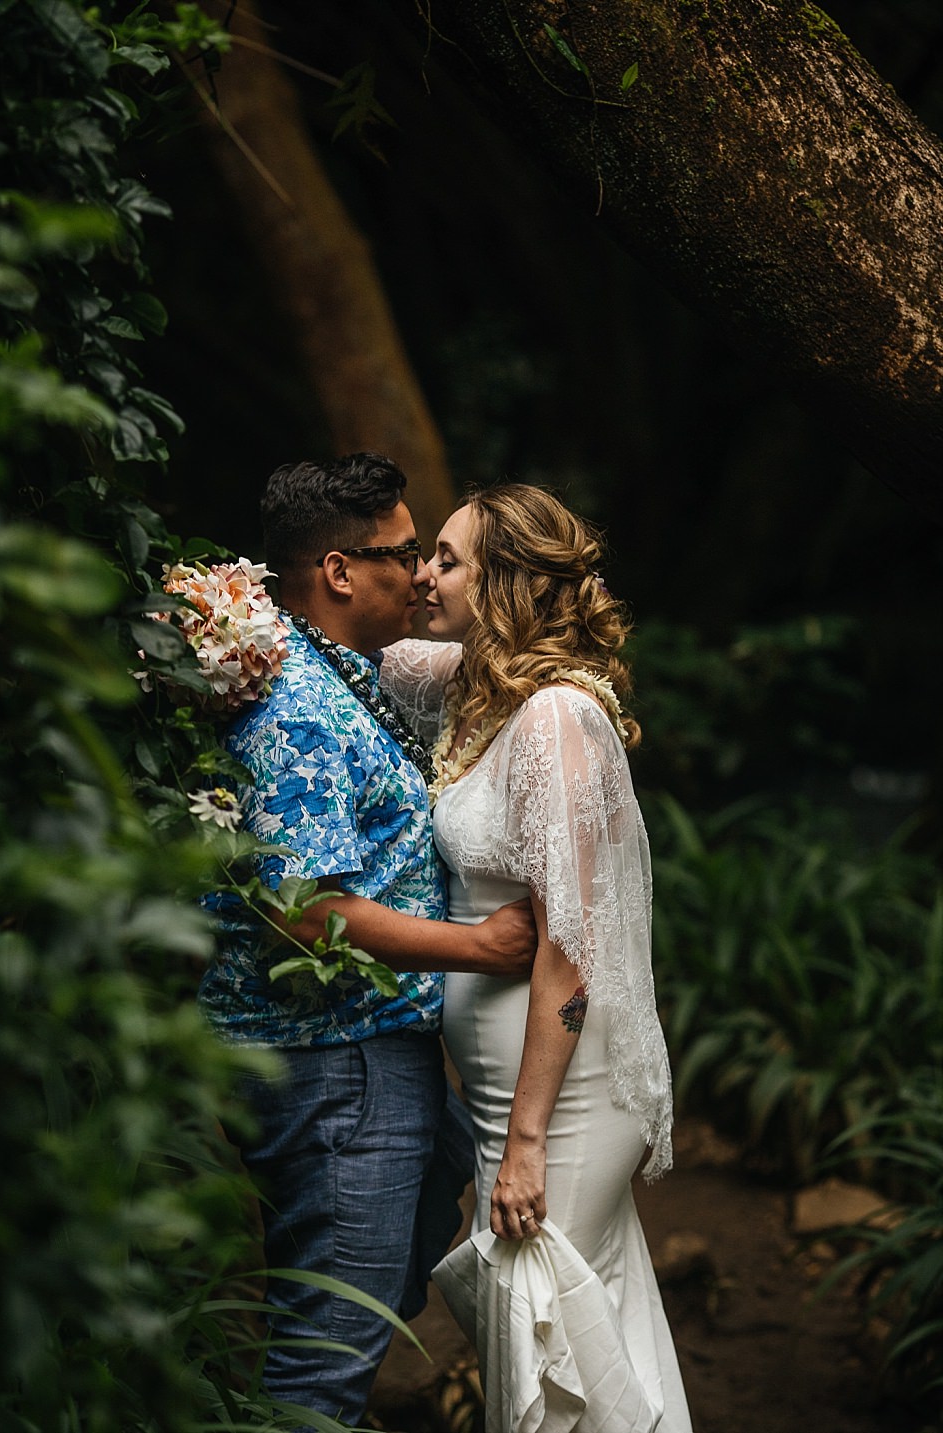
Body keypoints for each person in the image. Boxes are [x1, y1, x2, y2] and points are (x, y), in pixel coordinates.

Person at [201, 453, 539, 1423]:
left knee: (396, 1254)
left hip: (366, 1055)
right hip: (336, 1058)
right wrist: (479, 946)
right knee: (324, 1358)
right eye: (403, 554)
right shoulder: (295, 706)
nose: (423, 575)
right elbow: (307, 909)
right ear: (340, 571)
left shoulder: (328, 670)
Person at [385, 485, 692, 1431]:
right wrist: (235, 629)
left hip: (560, 1093)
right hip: (500, 1088)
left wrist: (522, 1142)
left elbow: (570, 945)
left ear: (504, 582)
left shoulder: (558, 721)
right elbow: (375, 650)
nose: (420, 574)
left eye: (443, 557)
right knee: (579, 1310)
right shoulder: (480, 686)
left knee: (537, 1309)